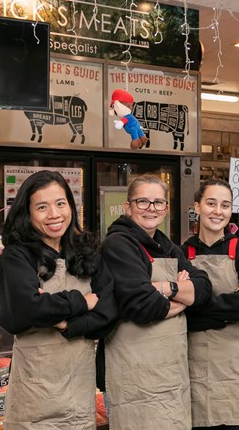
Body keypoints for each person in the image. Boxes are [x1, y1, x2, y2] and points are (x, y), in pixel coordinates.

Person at [0, 170, 116, 429]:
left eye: (61, 203)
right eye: (42, 207)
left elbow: (108, 313)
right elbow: (22, 312)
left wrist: (66, 324)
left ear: (71, 206)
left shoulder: (87, 251)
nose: (54, 214)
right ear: (28, 213)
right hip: (33, 401)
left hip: (79, 395)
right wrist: (81, 302)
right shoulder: (18, 255)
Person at [99, 174, 212, 429]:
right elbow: (143, 306)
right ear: (128, 207)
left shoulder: (166, 245)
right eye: (143, 202)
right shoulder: (117, 244)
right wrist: (183, 295)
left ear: (167, 208)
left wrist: (164, 288)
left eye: (158, 202)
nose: (151, 209)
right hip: (133, 377)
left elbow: (203, 289)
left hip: (170, 374)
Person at [182, 178, 239, 429]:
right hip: (198, 370)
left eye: (225, 205)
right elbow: (180, 313)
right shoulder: (181, 253)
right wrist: (229, 310)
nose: (218, 211)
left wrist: (198, 306)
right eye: (211, 203)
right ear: (196, 207)